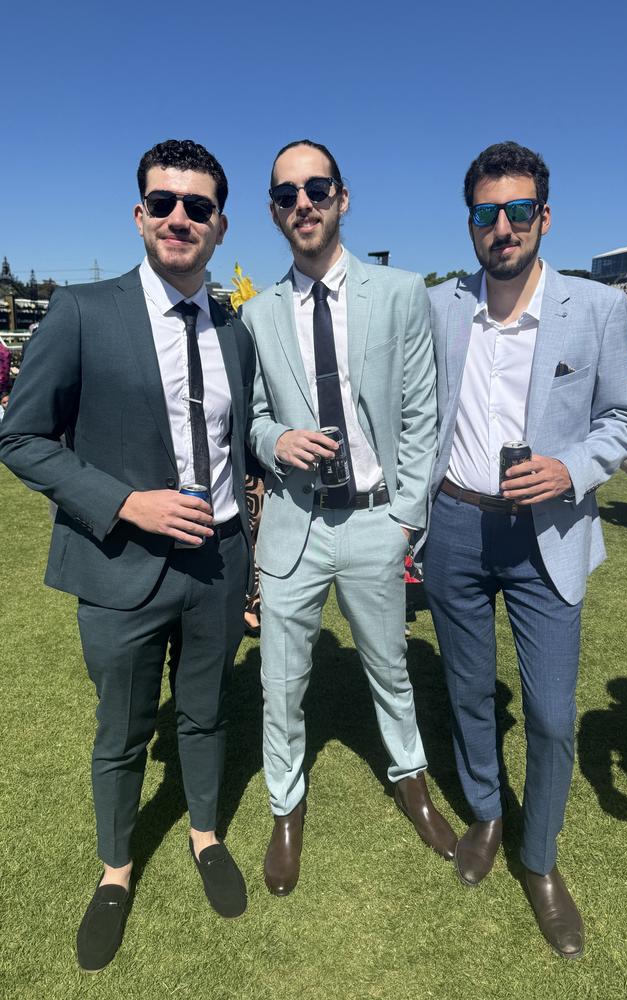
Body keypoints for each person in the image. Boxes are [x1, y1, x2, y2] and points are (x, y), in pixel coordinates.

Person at [0, 139, 254, 971]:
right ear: (140, 213)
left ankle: (206, 833)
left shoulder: (234, 330)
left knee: (207, 710)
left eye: (198, 206)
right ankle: (116, 869)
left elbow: (236, 441)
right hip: (118, 565)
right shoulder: (80, 311)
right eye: (164, 202)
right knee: (122, 727)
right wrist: (124, 502)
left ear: (220, 224)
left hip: (216, 565)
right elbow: (23, 437)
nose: (180, 217)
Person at [422, 141, 627, 959]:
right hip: (455, 524)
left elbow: (623, 420)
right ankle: (485, 811)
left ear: (544, 217)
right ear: (471, 224)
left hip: (549, 533)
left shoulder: (596, 309)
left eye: (519, 211)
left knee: (551, 717)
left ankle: (540, 859)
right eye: (488, 214)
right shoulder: (444, 306)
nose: (504, 227)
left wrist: (571, 468)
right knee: (469, 690)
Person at [241, 139, 457, 898]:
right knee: (281, 682)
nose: (303, 202)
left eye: (317, 187)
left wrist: (404, 519)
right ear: (274, 211)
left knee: (390, 671)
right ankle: (285, 808)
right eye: (287, 194)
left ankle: (413, 784)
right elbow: (255, 419)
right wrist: (276, 441)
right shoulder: (258, 315)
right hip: (294, 525)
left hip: (374, 523)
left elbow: (425, 414)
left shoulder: (401, 293)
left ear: (342, 197)